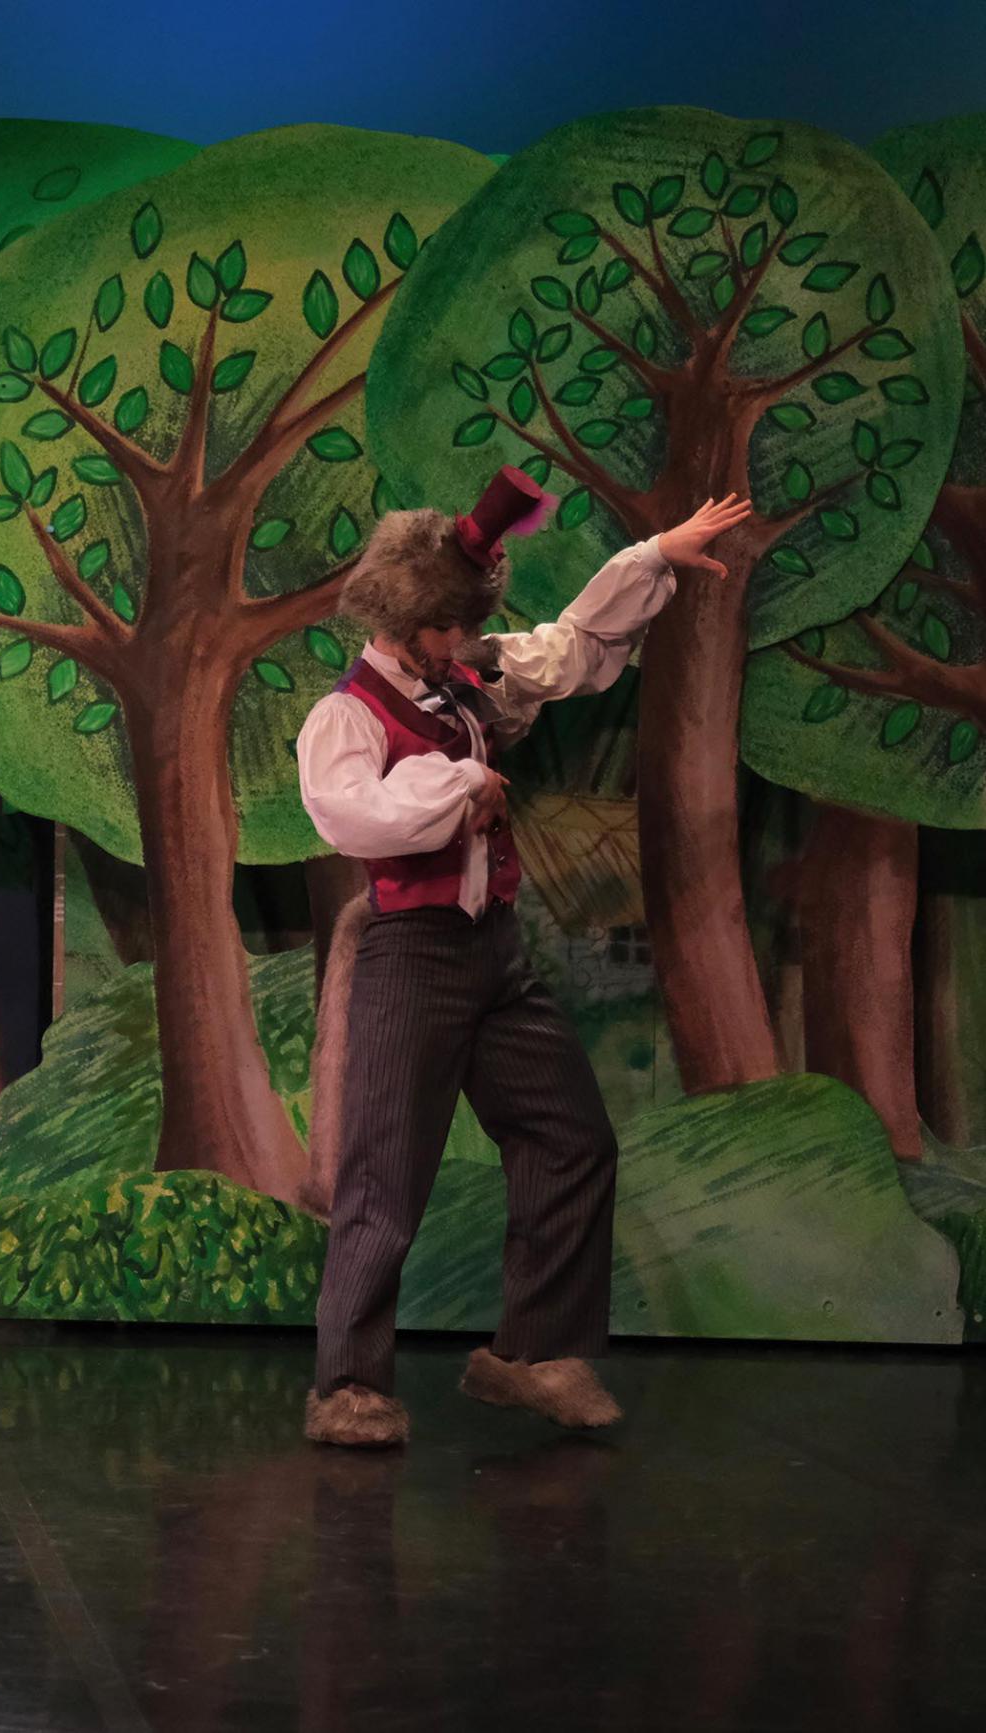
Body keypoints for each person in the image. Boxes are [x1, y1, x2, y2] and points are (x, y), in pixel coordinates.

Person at [296, 467, 749, 1448]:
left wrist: (651, 556)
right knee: (384, 1178)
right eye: (449, 625)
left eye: (467, 624)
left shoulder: (467, 677)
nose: (464, 639)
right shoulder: (348, 714)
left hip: (493, 954)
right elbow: (352, 814)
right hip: (412, 957)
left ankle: (534, 1352)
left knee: (569, 1137)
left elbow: (570, 647)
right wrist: (460, 784)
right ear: (405, 621)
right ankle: (348, 1385)